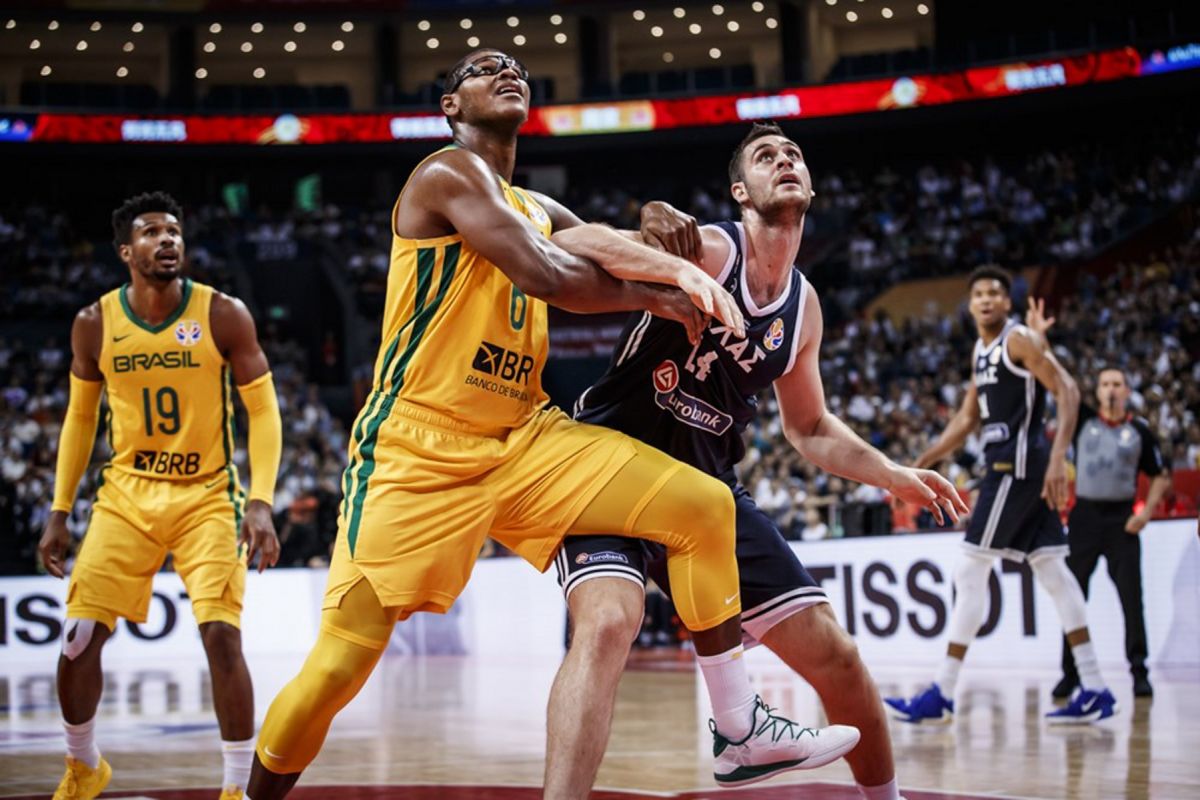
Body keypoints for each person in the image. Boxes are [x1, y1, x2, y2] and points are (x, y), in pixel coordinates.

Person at [246, 51, 856, 799]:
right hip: (419, 445)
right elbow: (550, 275)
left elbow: (604, 245)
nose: (506, 70)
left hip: (526, 434)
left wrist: (655, 227)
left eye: (514, 65)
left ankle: (739, 730)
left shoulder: (536, 206)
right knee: (339, 666)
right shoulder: (445, 174)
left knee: (706, 506)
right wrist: (670, 282)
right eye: (482, 68)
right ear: (449, 105)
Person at [549, 122, 966, 800]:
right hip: (611, 462)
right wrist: (673, 263)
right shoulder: (714, 251)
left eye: (794, 154)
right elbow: (570, 243)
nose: (785, 161)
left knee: (838, 656)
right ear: (740, 191)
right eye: (766, 157)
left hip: (708, 490)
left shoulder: (804, 309)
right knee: (607, 626)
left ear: (811, 185)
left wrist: (891, 474)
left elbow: (810, 427)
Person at [38, 192, 283, 800]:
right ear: (126, 252)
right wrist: (59, 510)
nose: (167, 239)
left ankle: (235, 789)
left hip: (208, 495)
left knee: (222, 636)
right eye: (151, 233)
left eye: (173, 231)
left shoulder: (222, 313)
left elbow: (262, 410)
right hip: (126, 495)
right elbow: (79, 419)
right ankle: (83, 766)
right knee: (78, 638)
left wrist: (260, 500)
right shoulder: (94, 323)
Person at [884, 267, 1118, 725]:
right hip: (1013, 468)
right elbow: (966, 418)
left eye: (995, 292)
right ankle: (1095, 688)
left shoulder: (1019, 340)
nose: (987, 299)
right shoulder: (981, 350)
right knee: (1055, 574)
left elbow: (1068, 391)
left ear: (1008, 303)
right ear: (970, 304)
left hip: (1016, 468)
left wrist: (1058, 458)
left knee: (970, 569)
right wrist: (923, 461)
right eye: (979, 294)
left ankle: (942, 692)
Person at [1025, 325, 1171, 699]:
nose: (1110, 389)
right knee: (1072, 597)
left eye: (1116, 384)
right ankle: (1070, 673)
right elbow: (1058, 384)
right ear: (1098, 390)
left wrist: (1146, 513)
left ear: (1127, 390)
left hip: (1123, 520)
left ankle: (1138, 671)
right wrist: (1042, 341)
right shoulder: (1083, 421)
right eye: (1105, 383)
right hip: (1085, 518)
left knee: (1131, 600)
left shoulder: (1140, 431)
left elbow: (1160, 475)